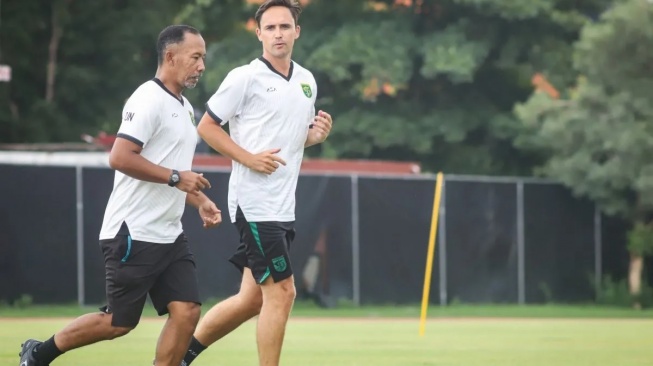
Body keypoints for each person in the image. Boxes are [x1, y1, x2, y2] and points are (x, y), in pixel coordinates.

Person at [18, 25, 222, 366]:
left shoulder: (186, 108)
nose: (202, 66)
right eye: (196, 57)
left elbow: (172, 173)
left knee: (187, 312)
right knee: (119, 322)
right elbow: (120, 157)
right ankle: (39, 353)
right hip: (133, 233)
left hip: (170, 235)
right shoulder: (147, 98)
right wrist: (176, 178)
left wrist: (198, 199)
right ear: (171, 57)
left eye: (203, 58)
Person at [181, 1, 333, 365]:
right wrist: (248, 158)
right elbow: (207, 127)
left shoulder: (306, 81)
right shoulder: (244, 77)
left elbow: (292, 139)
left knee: (252, 299)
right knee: (283, 292)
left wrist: (315, 137)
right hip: (254, 203)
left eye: (285, 27)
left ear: (297, 31)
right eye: (270, 27)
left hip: (283, 206)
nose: (278, 33)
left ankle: (178, 357)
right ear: (259, 32)